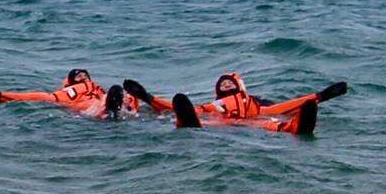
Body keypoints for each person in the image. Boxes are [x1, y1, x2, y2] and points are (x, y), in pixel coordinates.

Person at [122, 71, 347, 135]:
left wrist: (320, 96)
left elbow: (281, 108)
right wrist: (148, 98)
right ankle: (187, 123)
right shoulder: (213, 106)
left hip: (254, 121)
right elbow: (175, 107)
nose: (227, 86)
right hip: (217, 122)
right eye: (223, 85)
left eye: (230, 84)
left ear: (240, 87)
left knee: (274, 123)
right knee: (190, 116)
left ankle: (299, 126)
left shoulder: (257, 104)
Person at [0, 69, 139, 120]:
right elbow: (49, 98)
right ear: (71, 80)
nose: (82, 76)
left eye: (84, 74)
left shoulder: (99, 88)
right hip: (81, 104)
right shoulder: (71, 90)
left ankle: (114, 109)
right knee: (41, 96)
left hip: (104, 99)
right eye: (78, 75)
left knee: (124, 95)